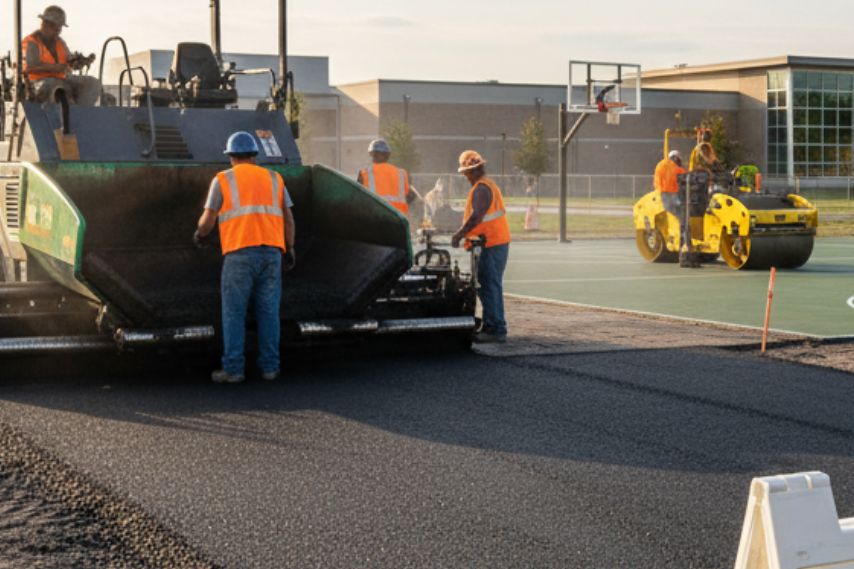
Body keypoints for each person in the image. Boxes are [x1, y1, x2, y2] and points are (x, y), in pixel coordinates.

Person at [194, 131, 296, 384]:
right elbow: (289, 218)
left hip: (239, 254)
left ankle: (234, 369)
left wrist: (199, 234)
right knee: (269, 313)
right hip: (272, 254)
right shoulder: (275, 178)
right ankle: (270, 368)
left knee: (234, 313)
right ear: (254, 156)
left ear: (231, 157)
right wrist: (290, 247)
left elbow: (208, 220)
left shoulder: (223, 180)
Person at [451, 150, 512, 344]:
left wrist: (460, 234)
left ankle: (495, 329)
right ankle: (491, 325)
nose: (465, 176)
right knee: (489, 285)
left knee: (489, 286)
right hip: (493, 242)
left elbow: (477, 216)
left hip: (491, 243)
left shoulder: (482, 188)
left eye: (466, 172)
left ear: (472, 171)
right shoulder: (485, 186)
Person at [22, 6, 100, 106]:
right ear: (45, 24)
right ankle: (62, 117)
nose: (58, 30)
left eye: (60, 27)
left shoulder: (60, 42)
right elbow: (29, 67)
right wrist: (55, 68)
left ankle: (80, 114)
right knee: (58, 86)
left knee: (92, 84)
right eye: (55, 27)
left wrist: (77, 62)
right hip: (36, 85)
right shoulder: (31, 42)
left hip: (60, 80)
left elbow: (68, 62)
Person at [357, 139, 419, 215]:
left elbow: (357, 197)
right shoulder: (401, 173)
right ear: (388, 155)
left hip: (375, 216)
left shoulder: (364, 173)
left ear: (372, 155)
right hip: (398, 217)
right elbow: (411, 196)